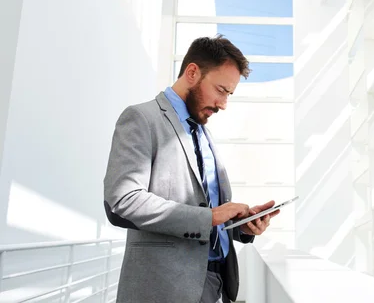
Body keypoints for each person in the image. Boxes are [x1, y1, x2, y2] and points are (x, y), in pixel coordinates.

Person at [103, 35, 279, 303]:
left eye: (229, 95)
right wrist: (210, 217)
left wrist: (240, 226)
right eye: (221, 90)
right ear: (193, 72)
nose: (223, 104)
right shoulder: (142, 118)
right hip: (164, 289)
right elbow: (122, 202)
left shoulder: (204, 135)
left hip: (214, 283)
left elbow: (206, 212)